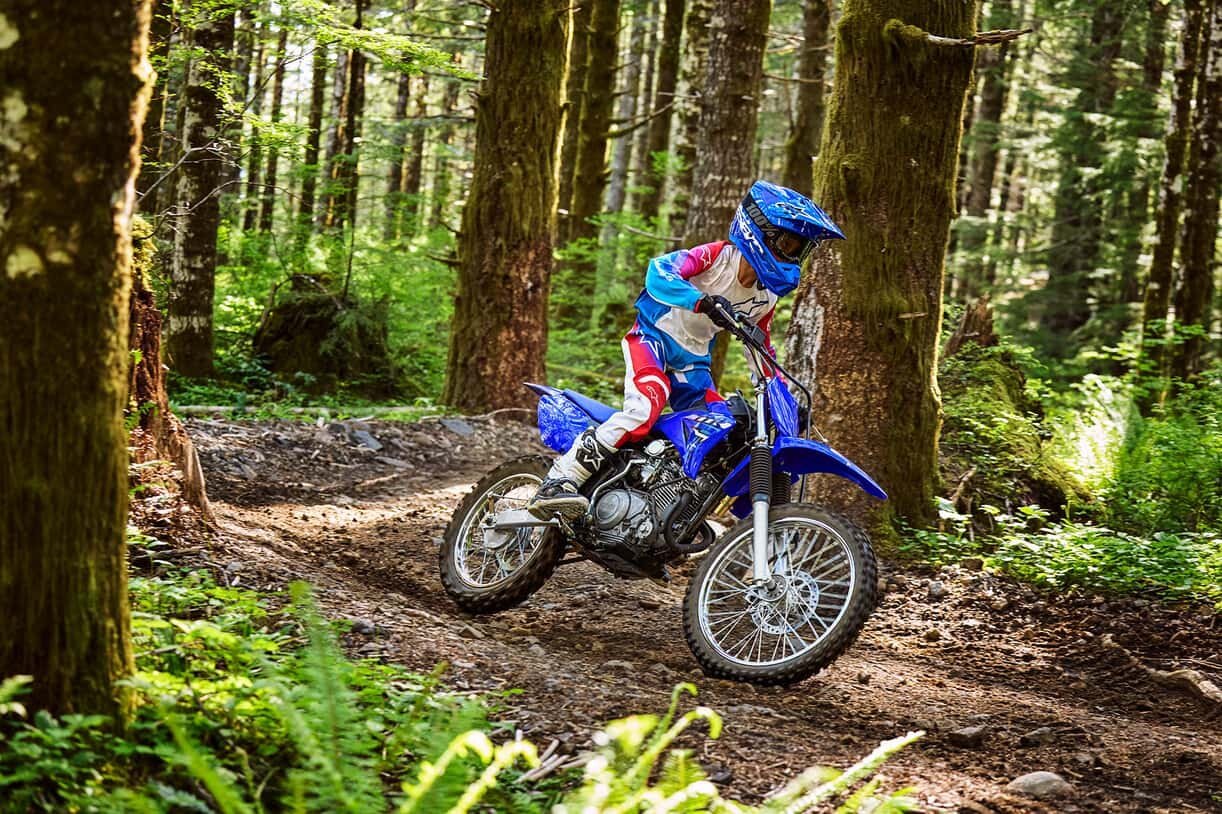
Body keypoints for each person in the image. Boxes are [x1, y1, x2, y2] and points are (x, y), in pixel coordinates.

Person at [527, 179, 844, 519]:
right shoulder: (717, 257)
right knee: (643, 408)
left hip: (693, 362)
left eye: (800, 249)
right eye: (788, 244)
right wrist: (700, 300)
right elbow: (659, 272)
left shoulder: (765, 298)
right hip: (652, 340)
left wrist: (785, 404)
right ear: (760, 232)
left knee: (721, 429)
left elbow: (760, 347)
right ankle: (561, 480)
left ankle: (668, 509)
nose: (793, 255)